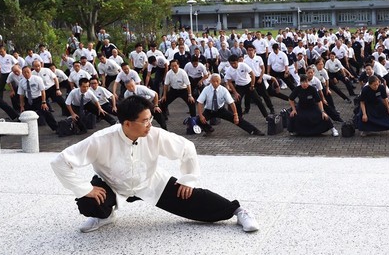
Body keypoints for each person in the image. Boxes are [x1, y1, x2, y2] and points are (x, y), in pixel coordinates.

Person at [50, 95, 259, 233]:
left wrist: (188, 179)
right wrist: (86, 188)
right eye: (145, 121)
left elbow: (187, 148)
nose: (150, 124)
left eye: (151, 119)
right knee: (88, 202)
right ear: (127, 123)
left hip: (151, 183)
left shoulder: (155, 135)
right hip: (112, 184)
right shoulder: (100, 140)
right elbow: (60, 162)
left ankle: (238, 211)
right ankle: (104, 216)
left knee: (196, 201)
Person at [196, 73, 265, 136]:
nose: (215, 83)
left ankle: (254, 130)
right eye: (213, 81)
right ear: (210, 81)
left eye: (217, 81)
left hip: (221, 110)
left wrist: (235, 115)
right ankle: (209, 129)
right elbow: (200, 103)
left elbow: (231, 103)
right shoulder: (206, 89)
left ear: (220, 81)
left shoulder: (224, 90)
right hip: (209, 110)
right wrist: (201, 115)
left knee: (237, 120)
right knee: (198, 120)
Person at [17, 66, 59, 131]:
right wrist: (22, 106)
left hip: (39, 99)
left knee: (46, 112)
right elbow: (21, 95)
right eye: (24, 72)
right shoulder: (21, 82)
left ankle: (56, 128)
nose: (26, 74)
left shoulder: (37, 79)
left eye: (28, 72)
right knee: (25, 115)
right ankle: (26, 130)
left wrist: (44, 102)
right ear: (22, 73)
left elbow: (43, 91)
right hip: (29, 100)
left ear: (31, 72)